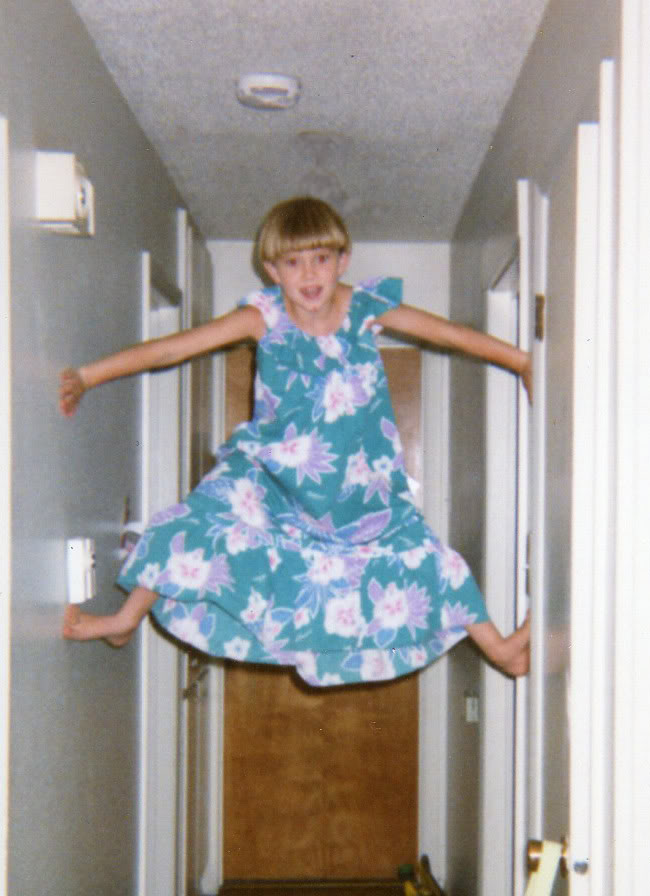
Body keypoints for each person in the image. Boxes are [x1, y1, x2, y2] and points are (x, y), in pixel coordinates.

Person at [60, 196, 531, 684]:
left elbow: (450, 333)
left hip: (358, 489)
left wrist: (522, 363)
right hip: (270, 479)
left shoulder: (366, 309)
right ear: (272, 270)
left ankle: (501, 651)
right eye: (293, 262)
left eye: (321, 259)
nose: (309, 275)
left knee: (429, 562)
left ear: (342, 261)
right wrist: (89, 375)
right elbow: (172, 348)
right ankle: (125, 620)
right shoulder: (262, 318)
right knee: (196, 522)